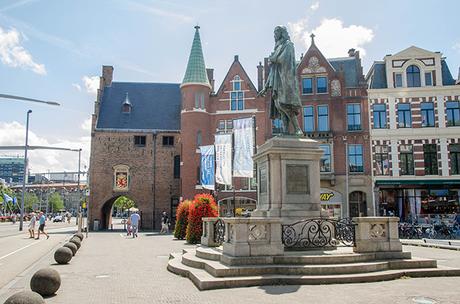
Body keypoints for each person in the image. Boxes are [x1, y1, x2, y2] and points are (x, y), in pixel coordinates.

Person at [258, 25, 303, 136]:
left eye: (276, 33)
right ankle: (285, 130)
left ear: (281, 33)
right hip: (277, 81)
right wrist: (266, 86)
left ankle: (298, 129)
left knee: (284, 105)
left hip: (285, 80)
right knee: (279, 106)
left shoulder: (288, 45)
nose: (274, 35)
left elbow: (286, 60)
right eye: (274, 33)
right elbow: (273, 70)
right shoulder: (278, 47)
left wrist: (274, 59)